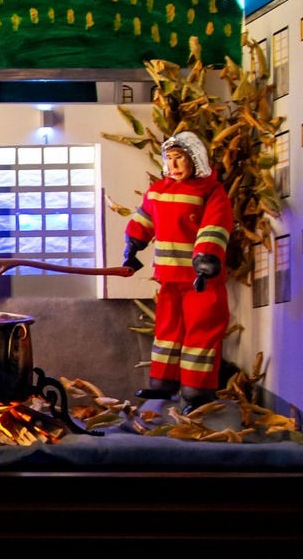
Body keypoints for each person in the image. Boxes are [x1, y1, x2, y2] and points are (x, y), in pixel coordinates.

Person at [118, 130, 234, 411]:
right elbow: (144, 220)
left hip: (200, 281)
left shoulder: (210, 191)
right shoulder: (158, 191)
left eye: (180, 157)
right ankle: (163, 383)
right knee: (167, 330)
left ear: (195, 158)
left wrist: (206, 257)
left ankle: (197, 392)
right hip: (169, 279)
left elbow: (215, 225)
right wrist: (133, 246)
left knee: (201, 333)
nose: (174, 164)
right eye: (169, 158)